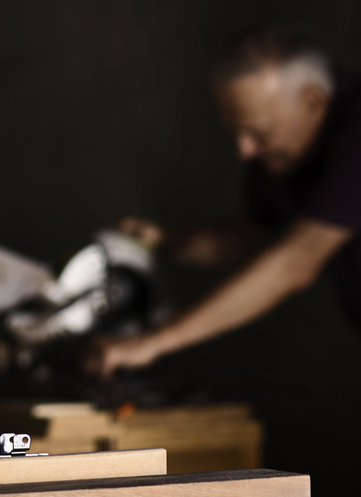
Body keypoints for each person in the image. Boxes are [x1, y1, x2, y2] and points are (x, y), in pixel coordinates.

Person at [84, 26, 361, 378]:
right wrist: (160, 243)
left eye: (259, 133)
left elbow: (294, 263)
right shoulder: (277, 152)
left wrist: (151, 343)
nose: (244, 151)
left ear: (313, 101)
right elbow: (247, 237)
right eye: (237, 134)